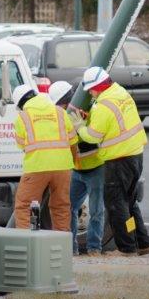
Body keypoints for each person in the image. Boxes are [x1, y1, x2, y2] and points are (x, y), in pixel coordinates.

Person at [71, 66, 149, 256]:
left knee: (116, 205)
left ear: (97, 87)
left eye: (90, 89)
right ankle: (143, 243)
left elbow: (93, 136)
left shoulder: (102, 106)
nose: (90, 93)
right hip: (136, 154)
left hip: (119, 159)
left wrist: (80, 127)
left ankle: (126, 248)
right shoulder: (121, 93)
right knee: (130, 202)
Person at [11, 83, 77, 232]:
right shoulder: (59, 112)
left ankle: (26, 246)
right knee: (61, 207)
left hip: (37, 167)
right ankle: (61, 247)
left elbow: (23, 146)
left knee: (24, 206)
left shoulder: (22, 117)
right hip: (63, 167)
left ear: (21, 104)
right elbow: (73, 141)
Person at [50, 81, 105, 256]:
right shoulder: (62, 117)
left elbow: (93, 137)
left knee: (96, 212)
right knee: (69, 208)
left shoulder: (88, 112)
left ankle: (94, 248)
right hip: (77, 170)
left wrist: (80, 127)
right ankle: (71, 249)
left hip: (95, 168)